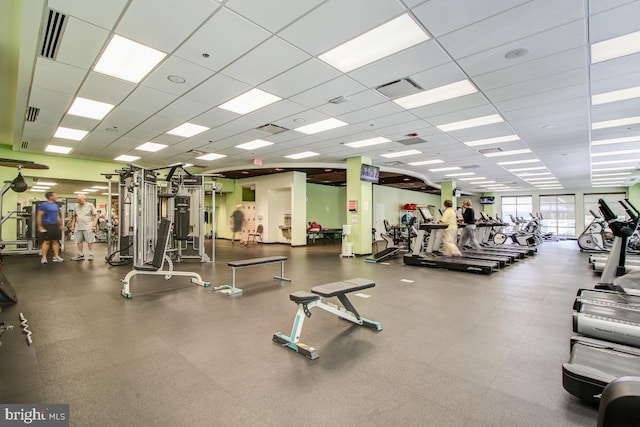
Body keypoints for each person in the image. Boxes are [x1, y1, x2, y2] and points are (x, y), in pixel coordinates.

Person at [36, 192, 64, 264]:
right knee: (46, 241)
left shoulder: (55, 205)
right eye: (55, 195)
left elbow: (57, 216)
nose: (56, 196)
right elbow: (39, 216)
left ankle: (56, 256)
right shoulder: (44, 205)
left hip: (55, 225)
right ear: (50, 197)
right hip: (47, 225)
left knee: (56, 241)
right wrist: (39, 226)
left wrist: (60, 224)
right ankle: (44, 257)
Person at [70, 194, 98, 261]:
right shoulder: (76, 206)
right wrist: (72, 226)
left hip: (88, 226)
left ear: (84, 199)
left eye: (79, 199)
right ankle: (80, 255)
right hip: (78, 226)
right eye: (77, 199)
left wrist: (94, 225)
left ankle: (91, 254)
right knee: (78, 241)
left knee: (90, 241)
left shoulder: (90, 205)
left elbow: (96, 216)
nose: (78, 201)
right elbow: (74, 217)